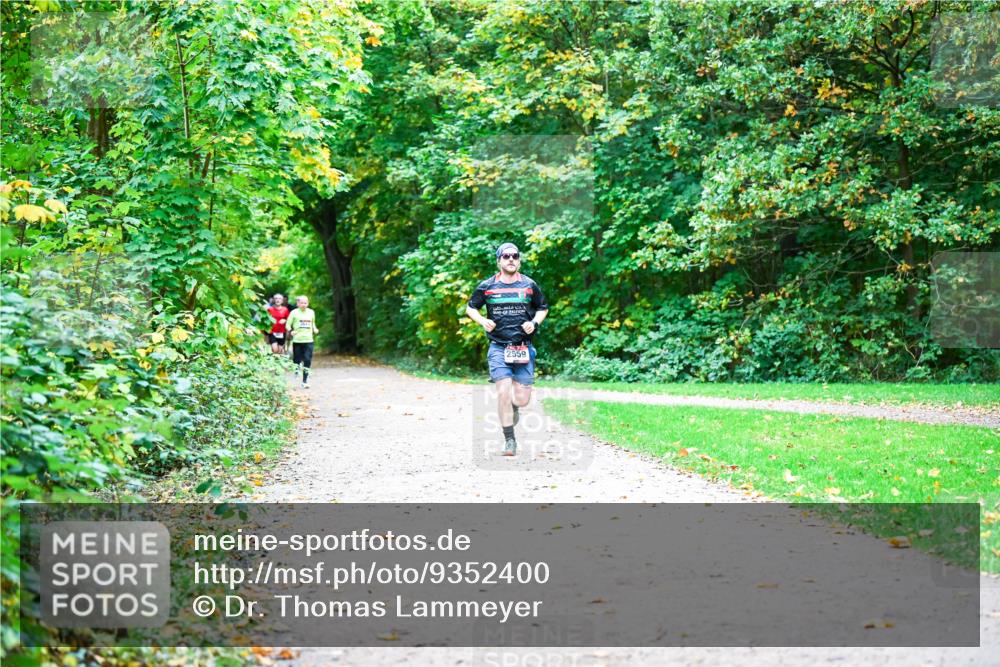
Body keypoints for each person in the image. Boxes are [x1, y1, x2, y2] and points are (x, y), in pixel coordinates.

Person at [465, 242, 549, 456]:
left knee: (521, 399)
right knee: (502, 391)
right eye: (506, 256)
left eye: (515, 256)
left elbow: (542, 308)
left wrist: (535, 323)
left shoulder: (529, 285)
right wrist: (482, 320)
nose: (511, 259)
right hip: (499, 348)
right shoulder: (487, 286)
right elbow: (470, 307)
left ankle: (514, 407)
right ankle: (509, 440)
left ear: (519, 260)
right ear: (499, 261)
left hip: (524, 348)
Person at [286, 296, 318, 388]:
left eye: (305, 303)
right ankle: (296, 368)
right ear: (298, 304)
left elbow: (313, 323)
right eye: (301, 303)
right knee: (297, 359)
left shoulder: (311, 312)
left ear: (308, 303)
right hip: (297, 340)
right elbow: (288, 325)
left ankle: (305, 381)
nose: (303, 304)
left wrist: (315, 329)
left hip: (309, 340)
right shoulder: (294, 312)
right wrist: (291, 331)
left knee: (307, 359)